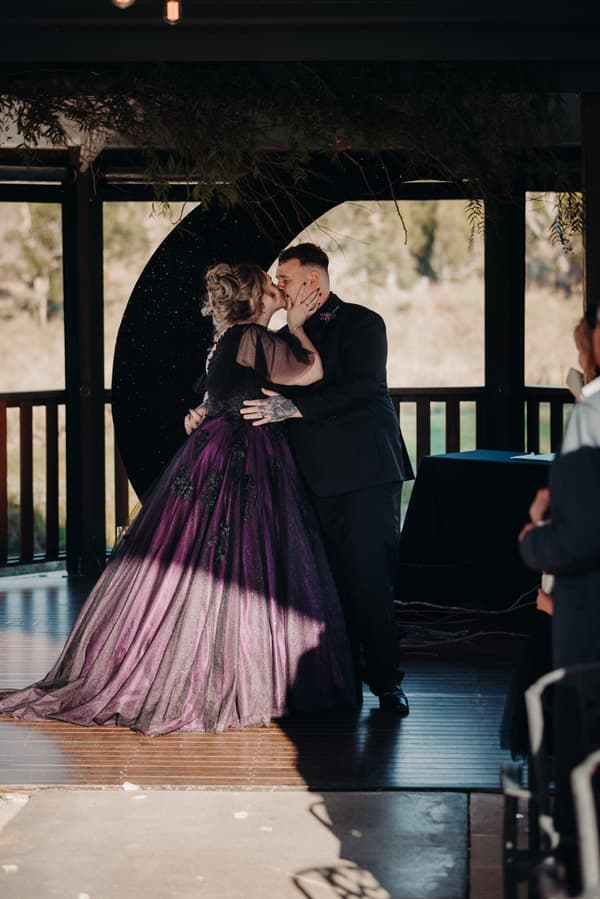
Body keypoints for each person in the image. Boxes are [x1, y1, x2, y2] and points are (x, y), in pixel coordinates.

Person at [0, 263, 356, 736]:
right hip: (244, 453)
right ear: (256, 298)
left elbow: (219, 392)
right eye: (272, 287)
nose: (279, 291)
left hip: (215, 449)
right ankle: (232, 678)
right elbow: (312, 373)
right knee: (244, 563)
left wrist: (204, 410)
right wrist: (296, 330)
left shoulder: (228, 340)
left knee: (216, 561)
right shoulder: (252, 337)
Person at [240, 243, 414, 715]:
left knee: (369, 580)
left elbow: (364, 388)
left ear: (313, 282)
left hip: (364, 473)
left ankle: (385, 681)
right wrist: (204, 409)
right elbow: (250, 385)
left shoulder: (364, 323)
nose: (279, 286)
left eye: (287, 278)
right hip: (308, 476)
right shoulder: (280, 331)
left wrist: (294, 406)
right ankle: (335, 684)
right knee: (323, 583)